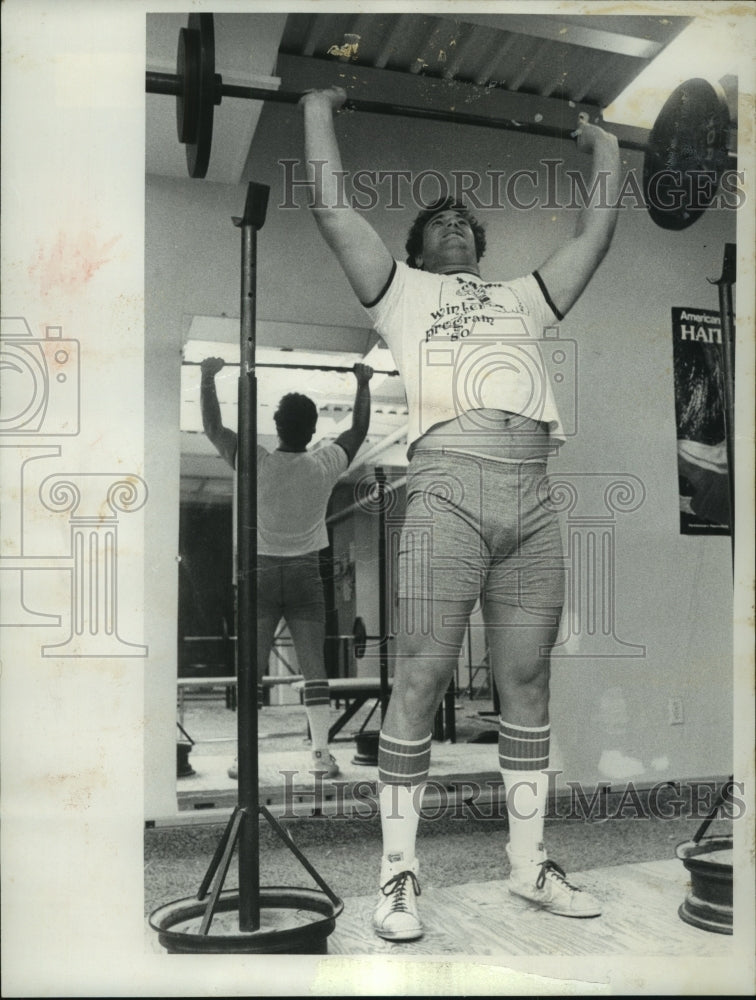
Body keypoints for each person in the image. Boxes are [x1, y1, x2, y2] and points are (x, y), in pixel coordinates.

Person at [300, 86, 620, 940]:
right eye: (437, 219)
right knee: (420, 679)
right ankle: (398, 877)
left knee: (527, 684)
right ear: (416, 245)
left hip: (533, 500)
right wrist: (318, 106)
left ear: (481, 244)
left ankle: (529, 865)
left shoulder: (522, 297)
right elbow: (332, 207)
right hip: (447, 491)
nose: (453, 223)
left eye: (464, 220)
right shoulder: (399, 291)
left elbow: (595, 234)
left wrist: (606, 147)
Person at [200, 356, 374, 778]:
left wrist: (207, 379)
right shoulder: (324, 463)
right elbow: (358, 431)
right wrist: (362, 383)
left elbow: (213, 429)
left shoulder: (255, 460)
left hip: (260, 573)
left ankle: (246, 759)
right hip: (304, 574)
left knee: (251, 669)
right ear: (313, 430)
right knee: (315, 666)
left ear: (277, 427)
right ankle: (320, 756)